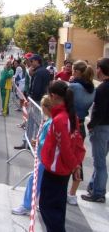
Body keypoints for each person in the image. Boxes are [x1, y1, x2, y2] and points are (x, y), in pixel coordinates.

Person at [40, 80, 85, 232]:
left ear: (52, 96)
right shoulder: (70, 115)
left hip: (56, 170)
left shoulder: (60, 119)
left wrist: (75, 166)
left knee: (48, 209)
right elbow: (78, 143)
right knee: (57, 209)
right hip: (63, 170)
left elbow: (65, 147)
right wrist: (76, 164)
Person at [12, 95, 53, 216]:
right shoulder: (51, 120)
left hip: (45, 159)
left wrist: (38, 141)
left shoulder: (51, 122)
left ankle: (26, 205)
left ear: (46, 107)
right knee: (42, 181)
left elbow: (49, 141)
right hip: (46, 158)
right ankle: (41, 202)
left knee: (34, 180)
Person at [67, 60, 95, 205]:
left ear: (77, 72)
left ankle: (61, 190)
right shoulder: (92, 90)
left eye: (72, 70)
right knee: (77, 158)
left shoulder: (73, 87)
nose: (71, 72)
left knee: (64, 156)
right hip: (81, 126)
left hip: (70, 125)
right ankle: (72, 193)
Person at [82, 57, 109, 203]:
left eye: (97, 67)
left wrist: (91, 124)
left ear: (101, 69)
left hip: (102, 127)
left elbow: (99, 110)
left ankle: (98, 193)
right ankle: (94, 186)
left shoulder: (103, 88)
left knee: (99, 163)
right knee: (101, 161)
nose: (96, 70)